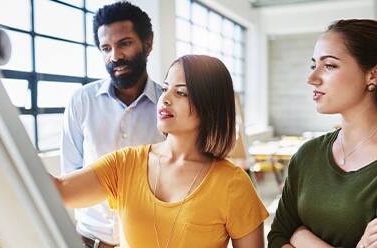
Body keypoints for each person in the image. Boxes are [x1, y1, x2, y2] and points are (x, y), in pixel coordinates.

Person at [54, 55, 269, 248]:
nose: (165, 99)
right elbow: (60, 189)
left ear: (209, 106)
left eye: (181, 92)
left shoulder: (233, 184)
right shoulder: (126, 163)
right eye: (165, 88)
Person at [267, 19, 377, 248]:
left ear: (375, 74)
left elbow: (288, 236)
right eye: (313, 65)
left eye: (329, 65)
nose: (312, 78)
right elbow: (277, 238)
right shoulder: (308, 154)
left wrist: (301, 237)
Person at [60, 2, 165, 247]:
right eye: (106, 48)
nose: (114, 56)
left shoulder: (169, 106)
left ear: (147, 43)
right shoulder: (81, 101)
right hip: (88, 241)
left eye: (124, 43)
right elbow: (70, 177)